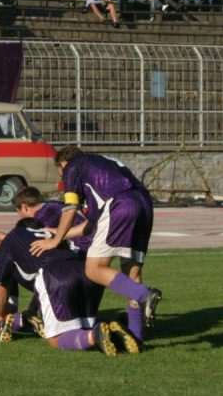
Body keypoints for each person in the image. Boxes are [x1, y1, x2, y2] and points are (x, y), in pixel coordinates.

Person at [30, 147, 161, 346]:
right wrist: (57, 232)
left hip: (119, 204)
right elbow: (89, 225)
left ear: (63, 165)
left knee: (93, 269)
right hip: (143, 203)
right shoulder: (101, 165)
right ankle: (137, 337)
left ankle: (144, 295)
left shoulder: (72, 167)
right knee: (132, 276)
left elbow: (70, 208)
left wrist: (55, 241)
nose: (64, 179)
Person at [0, 217, 131, 356]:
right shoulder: (50, 233)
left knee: (55, 338)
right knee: (83, 326)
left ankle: (94, 336)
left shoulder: (12, 237)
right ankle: (115, 331)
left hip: (55, 275)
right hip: (85, 272)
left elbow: (2, 285)